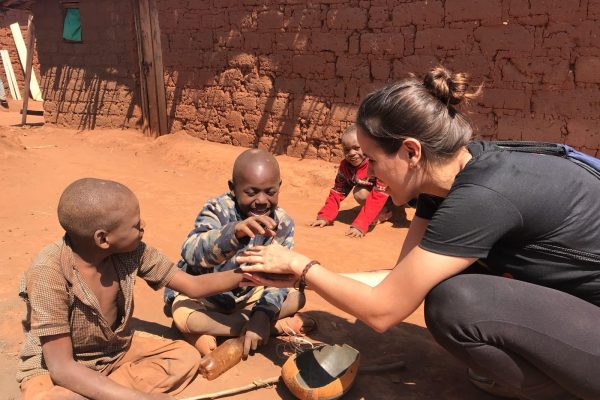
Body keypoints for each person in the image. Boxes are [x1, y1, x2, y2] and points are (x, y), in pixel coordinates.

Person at [237, 66, 600, 400]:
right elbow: (402, 278)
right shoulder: (447, 177)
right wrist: (299, 280)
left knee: (455, 304)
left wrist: (303, 267)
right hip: (580, 307)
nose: (370, 175)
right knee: (451, 285)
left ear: (411, 151)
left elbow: (383, 312)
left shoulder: (482, 196)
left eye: (373, 160)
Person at [18, 178, 246, 400]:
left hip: (114, 350)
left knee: (184, 356)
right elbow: (62, 368)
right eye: (136, 225)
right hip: (60, 364)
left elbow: (193, 286)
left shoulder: (133, 252)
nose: (143, 226)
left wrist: (247, 275)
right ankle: (107, 390)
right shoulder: (48, 272)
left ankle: (101, 390)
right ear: (103, 239)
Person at [167, 149, 307, 358]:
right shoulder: (218, 209)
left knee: (298, 296)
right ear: (233, 188)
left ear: (279, 187)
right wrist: (234, 233)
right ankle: (259, 328)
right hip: (207, 297)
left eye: (270, 192)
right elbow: (191, 252)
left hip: (249, 295)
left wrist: (262, 313)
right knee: (182, 314)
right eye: (251, 192)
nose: (261, 200)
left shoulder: (282, 222)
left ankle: (244, 326)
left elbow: (278, 277)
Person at [308, 124, 394, 238]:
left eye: (357, 148)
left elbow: (379, 194)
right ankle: (382, 211)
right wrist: (325, 216)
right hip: (380, 193)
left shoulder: (377, 163)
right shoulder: (345, 167)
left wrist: (360, 225)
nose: (352, 153)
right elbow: (337, 192)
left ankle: (385, 211)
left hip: (397, 192)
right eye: (347, 150)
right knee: (360, 193)